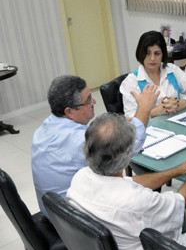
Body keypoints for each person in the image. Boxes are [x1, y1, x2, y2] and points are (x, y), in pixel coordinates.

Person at [67, 113, 186, 250]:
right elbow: (181, 202)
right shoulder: (137, 202)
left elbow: (132, 183)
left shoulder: (80, 178)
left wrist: (178, 170)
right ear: (127, 156)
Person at [32, 75, 158, 216]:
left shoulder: (43, 129)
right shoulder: (78, 140)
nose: (94, 101)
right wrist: (144, 109)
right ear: (69, 111)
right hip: (74, 219)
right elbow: (129, 146)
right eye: (88, 101)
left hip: (54, 211)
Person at [120, 30, 186, 118]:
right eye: (148, 53)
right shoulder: (131, 82)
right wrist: (156, 111)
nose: (152, 58)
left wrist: (181, 104)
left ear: (163, 54)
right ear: (140, 53)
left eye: (157, 53)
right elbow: (130, 118)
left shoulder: (171, 70)